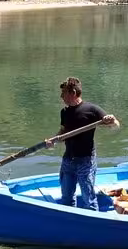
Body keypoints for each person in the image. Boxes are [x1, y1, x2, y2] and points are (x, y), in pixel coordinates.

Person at [46, 77, 119, 211]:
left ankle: (93, 225)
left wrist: (111, 120)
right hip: (68, 160)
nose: (61, 97)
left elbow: (115, 125)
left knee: (89, 200)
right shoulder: (65, 112)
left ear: (73, 93)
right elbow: (63, 132)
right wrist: (53, 141)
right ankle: (70, 222)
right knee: (66, 198)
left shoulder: (91, 109)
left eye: (63, 93)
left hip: (85, 161)